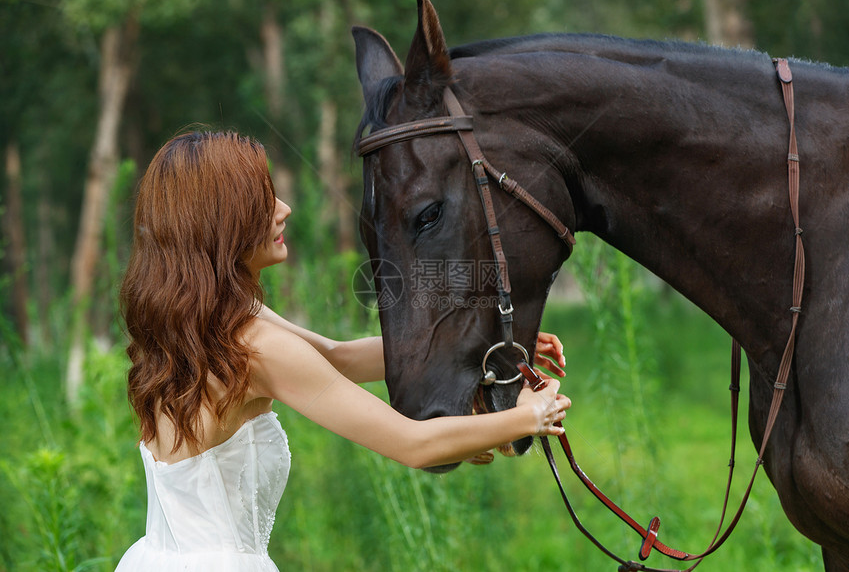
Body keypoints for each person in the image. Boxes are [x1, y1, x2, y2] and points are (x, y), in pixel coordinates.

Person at [115, 130, 571, 571]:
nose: (284, 209)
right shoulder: (256, 349)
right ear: (221, 223)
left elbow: (338, 357)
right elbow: (412, 445)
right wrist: (529, 416)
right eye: (261, 200)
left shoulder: (197, 325)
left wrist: (484, 343)